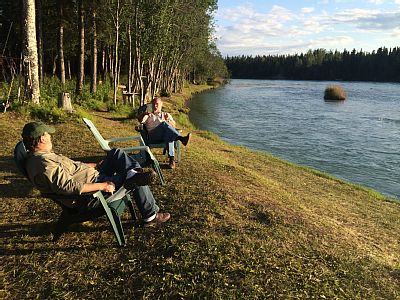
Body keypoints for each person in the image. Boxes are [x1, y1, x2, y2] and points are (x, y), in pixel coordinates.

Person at [21, 121, 170, 227]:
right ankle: (150, 214)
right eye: (48, 135)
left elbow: (70, 168)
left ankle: (134, 176)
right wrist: (103, 185)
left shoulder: (42, 156)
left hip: (94, 175)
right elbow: (68, 186)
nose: (50, 137)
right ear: (41, 139)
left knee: (116, 154)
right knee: (135, 178)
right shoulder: (43, 164)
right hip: (92, 195)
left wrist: (93, 165)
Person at [137, 97, 190, 169]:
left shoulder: (166, 114)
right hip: (153, 136)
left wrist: (168, 120)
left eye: (157, 104)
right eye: (153, 104)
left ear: (161, 105)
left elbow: (173, 127)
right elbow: (140, 120)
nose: (155, 106)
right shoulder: (148, 115)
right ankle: (181, 138)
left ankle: (171, 160)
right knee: (164, 125)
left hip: (164, 136)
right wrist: (144, 114)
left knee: (169, 135)